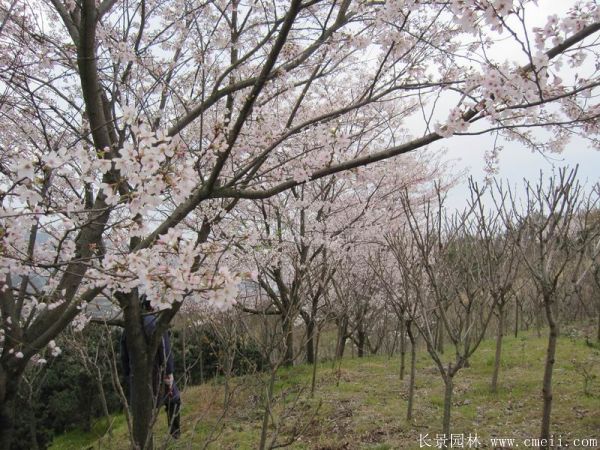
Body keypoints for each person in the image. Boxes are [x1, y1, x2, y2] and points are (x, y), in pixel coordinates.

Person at [120, 295, 181, 439]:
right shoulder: (157, 323)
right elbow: (165, 350)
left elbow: (123, 356)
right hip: (157, 374)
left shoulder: (128, 327)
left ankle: (143, 440)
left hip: (136, 376)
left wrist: (128, 376)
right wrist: (169, 373)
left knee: (142, 411)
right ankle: (175, 432)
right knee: (174, 399)